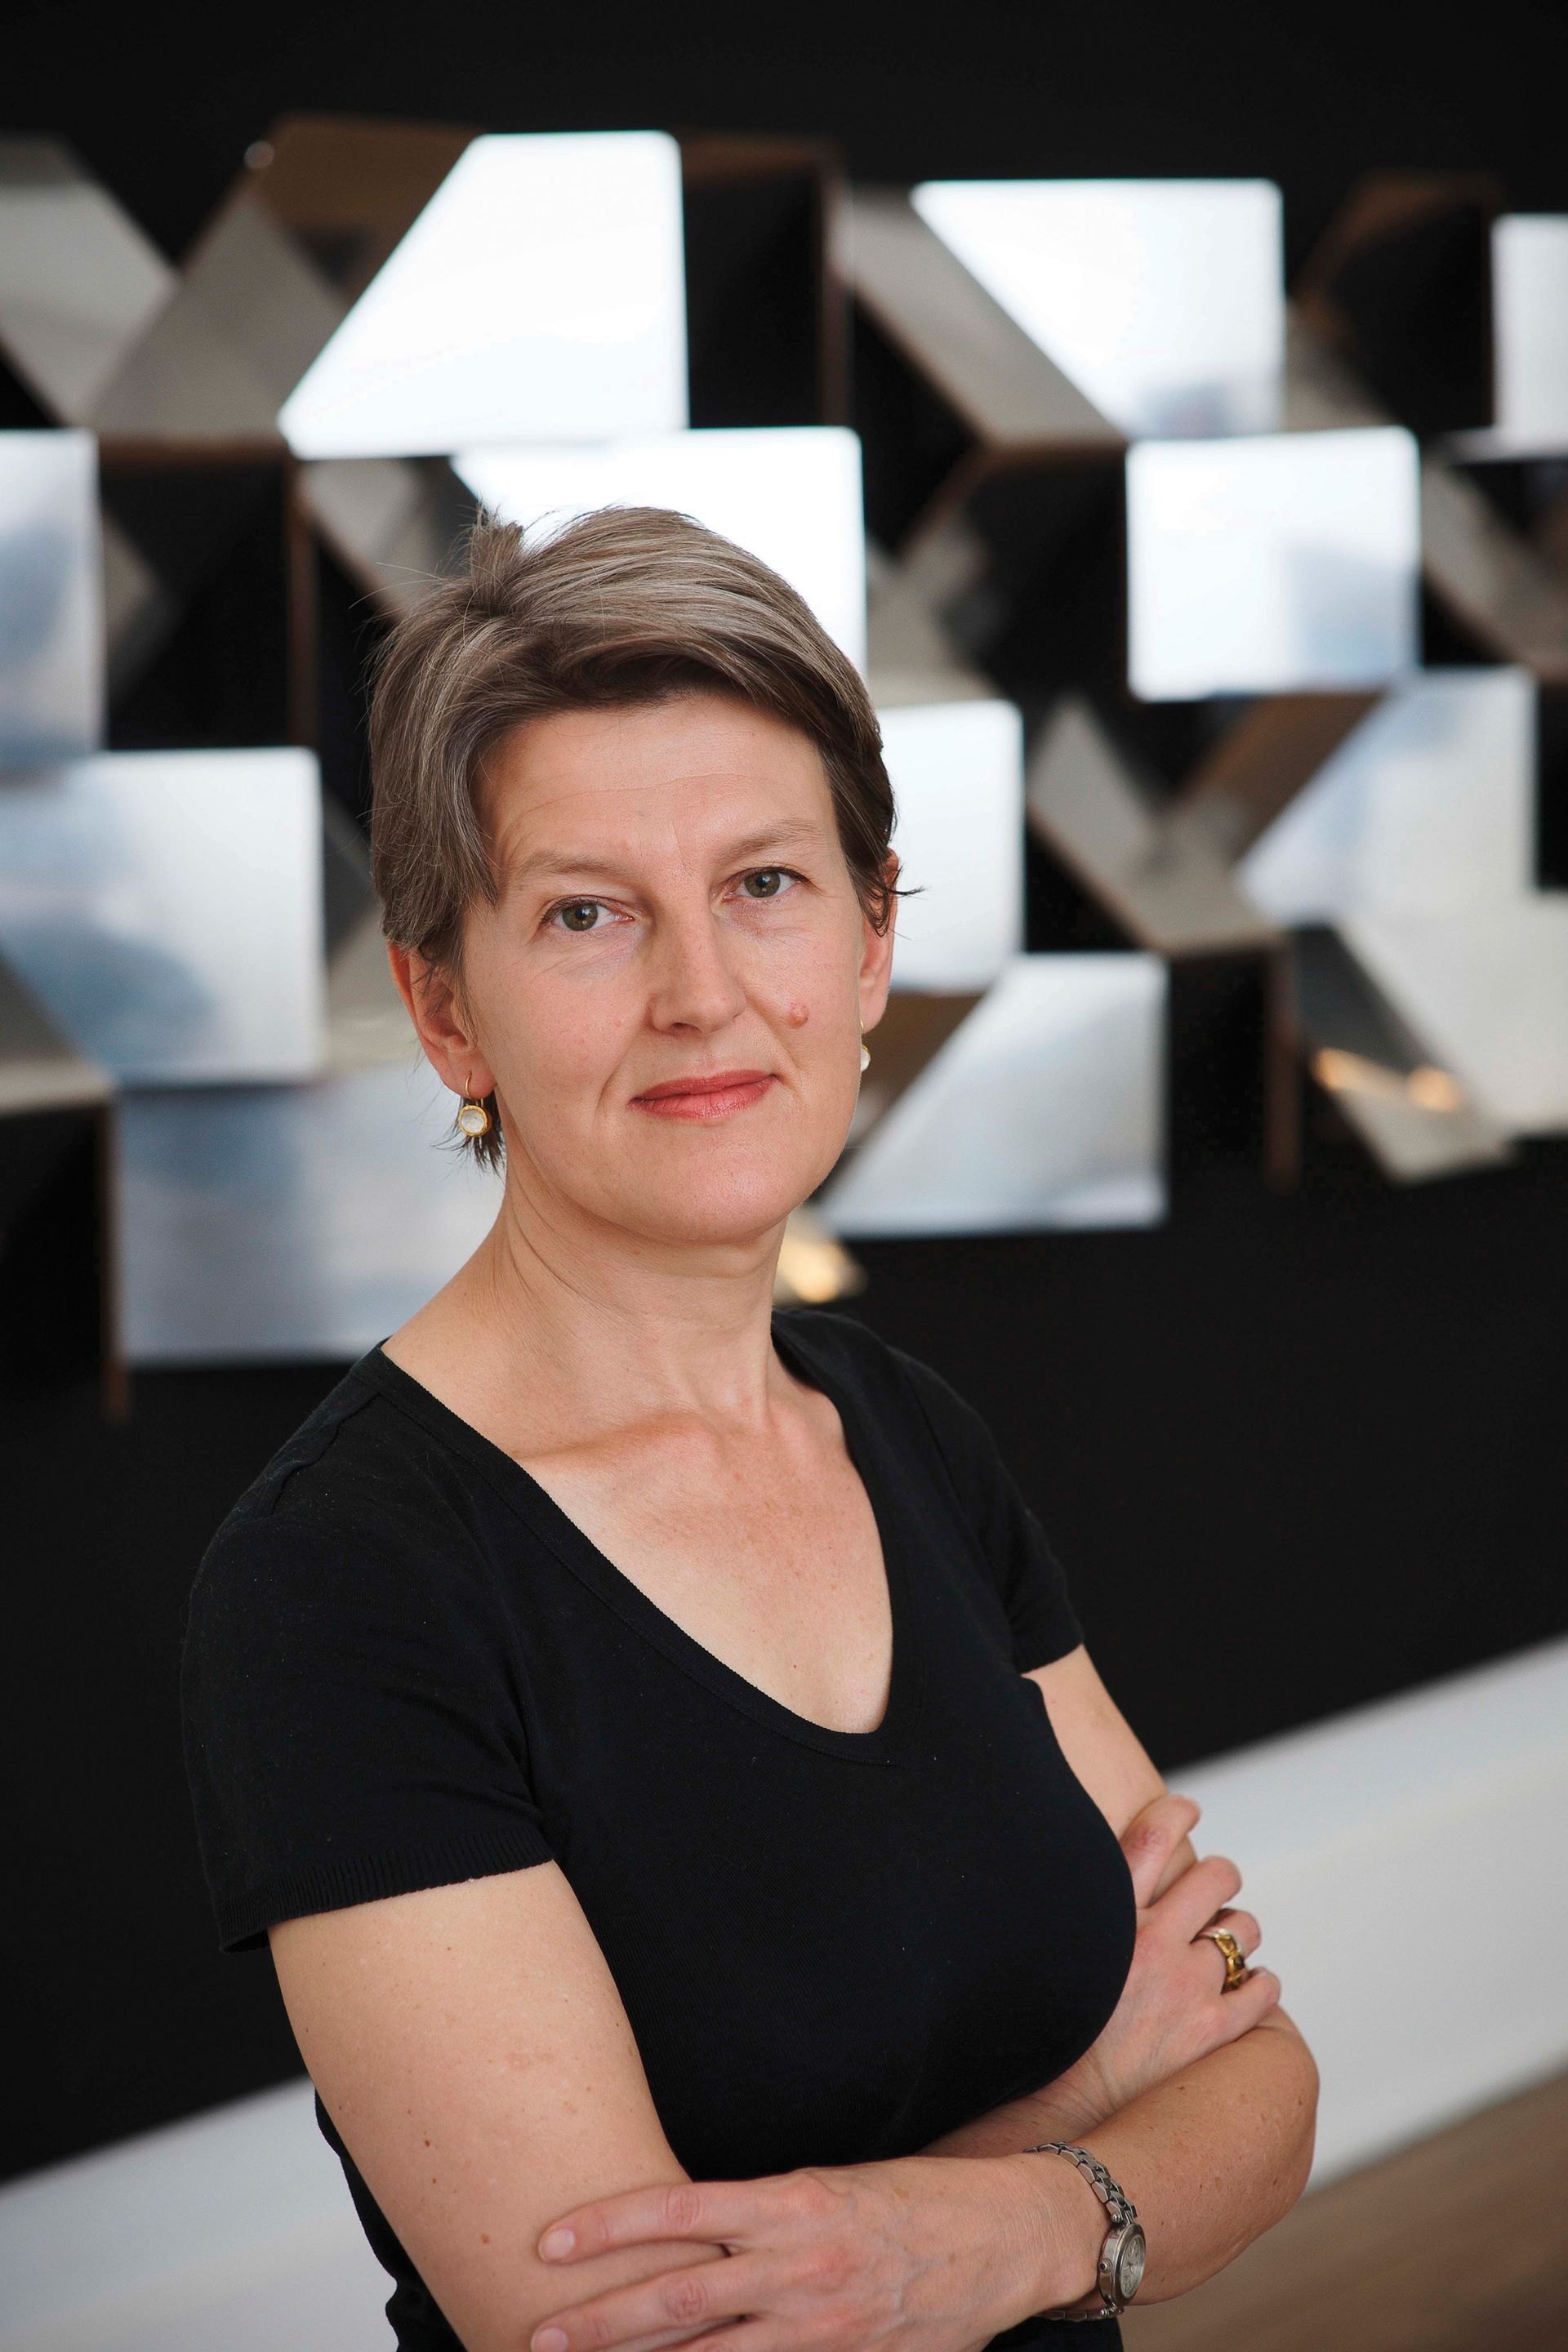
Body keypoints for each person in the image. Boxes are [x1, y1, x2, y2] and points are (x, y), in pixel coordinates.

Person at [181, 507, 1317, 2352]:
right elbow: (641, 2337)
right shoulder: (340, 1586)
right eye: (586, 913)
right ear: (445, 1010)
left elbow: (1260, 2082)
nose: (701, 994)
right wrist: (1076, 2123)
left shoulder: (902, 1432)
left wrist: (1009, 2218)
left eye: (767, 884)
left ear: (870, 945)